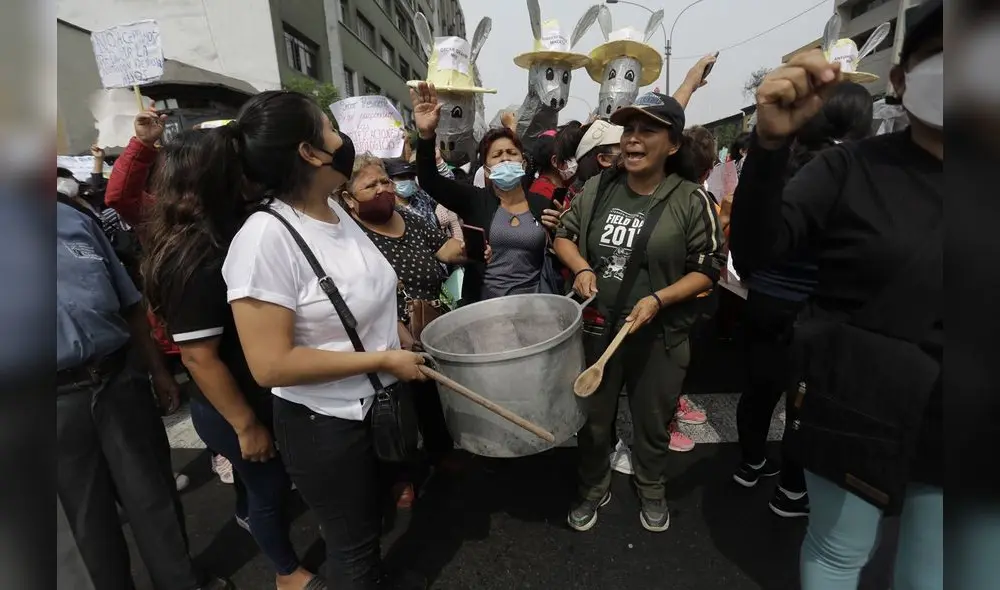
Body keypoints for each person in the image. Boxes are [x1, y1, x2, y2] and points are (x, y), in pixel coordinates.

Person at [729, 2, 942, 587]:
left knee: (936, 566)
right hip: (857, 397)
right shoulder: (849, 168)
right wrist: (768, 146)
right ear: (899, 80)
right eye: (939, 56)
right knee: (838, 552)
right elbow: (756, 251)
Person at [218, 90, 428, 589]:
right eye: (331, 129)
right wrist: (382, 360)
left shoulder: (335, 211)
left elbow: (367, 299)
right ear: (309, 152)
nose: (342, 138)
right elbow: (270, 365)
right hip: (324, 426)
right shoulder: (264, 239)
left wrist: (401, 339)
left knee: (373, 527)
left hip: (375, 407)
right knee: (354, 551)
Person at [141, 128, 320, 589]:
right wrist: (246, 426)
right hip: (231, 405)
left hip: (253, 393)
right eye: (238, 165)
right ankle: (287, 572)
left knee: (254, 483)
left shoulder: (235, 229)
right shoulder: (194, 255)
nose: (251, 174)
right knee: (269, 487)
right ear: (215, 177)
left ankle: (248, 513)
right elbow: (198, 358)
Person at [554, 92, 724, 533]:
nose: (632, 138)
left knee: (653, 424)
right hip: (598, 332)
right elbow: (564, 236)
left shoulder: (691, 199)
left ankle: (651, 487)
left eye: (647, 130)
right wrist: (582, 267)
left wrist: (659, 299)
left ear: (673, 144)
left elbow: (708, 269)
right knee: (593, 425)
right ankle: (593, 487)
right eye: (628, 129)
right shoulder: (597, 189)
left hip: (660, 337)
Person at [57, 193, 230, 590]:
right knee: (87, 520)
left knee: (153, 496)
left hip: (118, 380)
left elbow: (130, 305)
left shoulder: (72, 218)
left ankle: (182, 583)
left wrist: (158, 371)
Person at [732, 81, 873, 521]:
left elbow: (750, 235)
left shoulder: (784, 165)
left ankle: (750, 463)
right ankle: (792, 489)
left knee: (759, 388)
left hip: (764, 298)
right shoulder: (851, 175)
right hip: (814, 308)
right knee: (805, 402)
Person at [105, 111, 238, 487]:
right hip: (194, 331)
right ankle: (223, 447)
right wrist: (142, 145)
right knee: (209, 384)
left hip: (244, 322)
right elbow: (119, 196)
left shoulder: (237, 205)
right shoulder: (162, 216)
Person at [341, 154, 468, 507]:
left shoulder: (408, 217)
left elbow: (443, 248)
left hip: (429, 324)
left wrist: (467, 249)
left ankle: (440, 451)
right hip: (383, 335)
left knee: (430, 396)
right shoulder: (349, 236)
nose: (382, 189)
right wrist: (399, 335)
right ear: (348, 197)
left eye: (385, 181)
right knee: (396, 408)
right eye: (370, 185)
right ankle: (400, 475)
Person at [410, 82, 564, 304]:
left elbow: (558, 251)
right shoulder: (474, 200)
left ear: (523, 162)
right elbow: (429, 180)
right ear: (487, 168)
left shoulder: (542, 204)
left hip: (534, 308)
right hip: (485, 310)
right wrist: (426, 135)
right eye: (497, 155)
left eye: (511, 152)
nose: (505, 158)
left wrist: (558, 232)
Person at [384, 156, 463, 242]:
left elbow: (447, 188)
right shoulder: (390, 211)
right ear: (389, 181)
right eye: (402, 177)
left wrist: (439, 161)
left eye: (411, 176)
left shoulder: (421, 197)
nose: (408, 180)